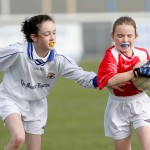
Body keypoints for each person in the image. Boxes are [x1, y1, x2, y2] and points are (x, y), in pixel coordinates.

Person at [0, 14, 98, 150]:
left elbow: (81, 75)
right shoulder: (18, 52)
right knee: (18, 138)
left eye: (54, 33)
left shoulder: (59, 59)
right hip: (11, 98)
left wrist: (102, 80)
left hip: (37, 104)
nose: (52, 38)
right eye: (47, 34)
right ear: (34, 37)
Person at [97, 16, 150, 150]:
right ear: (113, 36)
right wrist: (135, 72)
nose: (125, 40)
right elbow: (108, 79)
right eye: (120, 36)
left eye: (129, 36)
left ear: (136, 36)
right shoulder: (111, 54)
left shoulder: (143, 54)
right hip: (117, 106)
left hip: (140, 103)